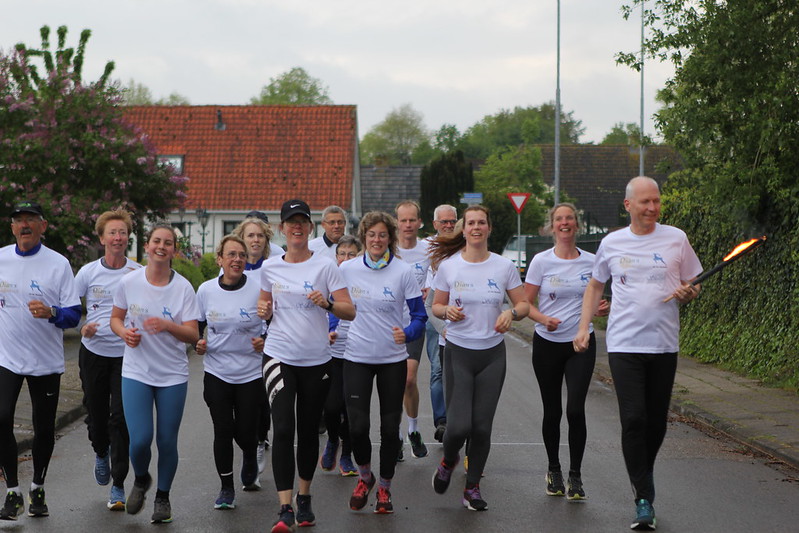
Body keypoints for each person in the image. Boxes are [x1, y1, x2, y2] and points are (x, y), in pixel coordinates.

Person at [573, 176, 702, 531]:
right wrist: (583, 327)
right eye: (645, 202)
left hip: (664, 345)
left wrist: (691, 293)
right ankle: (643, 498)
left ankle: (643, 472)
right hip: (625, 344)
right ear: (628, 205)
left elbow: (694, 281)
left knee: (657, 422)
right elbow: (596, 284)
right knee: (634, 418)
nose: (652, 208)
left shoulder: (676, 238)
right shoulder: (613, 242)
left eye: (656, 201)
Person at [256, 199, 355, 533]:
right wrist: (264, 312)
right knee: (282, 428)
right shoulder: (270, 267)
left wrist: (327, 303)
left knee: (309, 428)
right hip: (279, 355)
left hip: (317, 360)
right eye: (290, 222)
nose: (296, 227)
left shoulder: (326, 267)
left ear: (310, 228)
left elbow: (349, 310)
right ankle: (284, 507)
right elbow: (265, 305)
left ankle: (304, 497)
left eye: (302, 222)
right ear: (282, 228)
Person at [429, 205, 529, 511]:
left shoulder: (503, 267)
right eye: (470, 223)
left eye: (481, 223)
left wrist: (511, 314)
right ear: (464, 229)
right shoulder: (450, 267)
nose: (475, 227)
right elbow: (435, 306)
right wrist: (446, 312)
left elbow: (524, 304)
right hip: (458, 351)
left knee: (482, 427)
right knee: (458, 427)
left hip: (491, 354)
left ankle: (472, 488)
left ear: (488, 228)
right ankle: (448, 461)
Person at [110, 224, 200, 524]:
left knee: (166, 441)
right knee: (139, 440)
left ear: (174, 250)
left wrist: (167, 326)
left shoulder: (183, 288)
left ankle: (163, 497)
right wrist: (125, 334)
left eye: (168, 243)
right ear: (147, 246)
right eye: (156, 241)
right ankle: (140, 479)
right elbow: (116, 319)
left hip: (172, 374)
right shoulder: (129, 282)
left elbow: (192, 334)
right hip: (136, 371)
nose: (162, 246)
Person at [341, 212, 427, 515]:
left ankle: (386, 488)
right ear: (364, 237)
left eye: (382, 235)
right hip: (356, 357)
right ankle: (365, 477)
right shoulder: (347, 269)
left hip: (392, 359)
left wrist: (408, 333)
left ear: (390, 238)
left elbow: (420, 317)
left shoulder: (403, 272)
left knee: (390, 429)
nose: (377, 240)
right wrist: (328, 325)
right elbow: (336, 306)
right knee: (357, 427)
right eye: (371, 235)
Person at [0, 201, 81, 521]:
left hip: (45, 361)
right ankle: (12, 493)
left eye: (30, 220)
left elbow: (74, 315)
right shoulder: (1, 258)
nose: (24, 225)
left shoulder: (58, 264)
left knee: (43, 428)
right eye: (19, 220)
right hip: (6, 358)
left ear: (42, 227)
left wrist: (52, 313)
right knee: (1, 417)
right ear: (12, 228)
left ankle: (38, 487)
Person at [523, 203, 608, 501]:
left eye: (569, 218)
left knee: (575, 409)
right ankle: (554, 469)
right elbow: (525, 304)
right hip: (547, 343)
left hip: (580, 343)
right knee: (552, 410)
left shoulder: (592, 261)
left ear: (577, 224)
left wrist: (601, 309)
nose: (564, 223)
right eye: (559, 219)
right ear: (552, 226)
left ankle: (576, 475)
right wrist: (543, 318)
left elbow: (600, 295)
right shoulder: (541, 262)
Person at [74, 209, 142, 510]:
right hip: (93, 353)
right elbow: (72, 310)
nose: (118, 237)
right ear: (102, 238)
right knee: (97, 416)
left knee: (121, 418)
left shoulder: (138, 273)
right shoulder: (88, 273)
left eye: (123, 232)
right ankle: (100, 452)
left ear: (128, 238)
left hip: (127, 356)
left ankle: (117, 484)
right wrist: (83, 327)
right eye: (112, 233)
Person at [195, 235, 265, 510]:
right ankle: (226, 488)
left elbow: (275, 322)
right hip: (217, 371)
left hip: (250, 373)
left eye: (242, 255)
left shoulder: (259, 289)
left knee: (246, 432)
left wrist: (266, 340)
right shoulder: (206, 290)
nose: (237, 259)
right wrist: (196, 342)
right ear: (220, 259)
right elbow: (195, 325)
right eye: (231, 254)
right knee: (222, 429)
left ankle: (249, 452)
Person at [233, 213, 283, 473]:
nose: (255, 240)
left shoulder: (274, 269)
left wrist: (266, 336)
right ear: (242, 239)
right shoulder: (231, 268)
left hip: (267, 344)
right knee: (239, 410)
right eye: (250, 236)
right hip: (237, 348)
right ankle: (248, 445)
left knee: (263, 401)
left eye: (260, 236)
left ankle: (261, 440)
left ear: (267, 241)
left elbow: (281, 309)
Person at [319, 235, 361, 476]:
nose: (346, 259)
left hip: (356, 353)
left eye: (351, 254)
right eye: (342, 254)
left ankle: (346, 455)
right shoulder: (327, 279)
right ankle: (333, 439)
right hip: (331, 354)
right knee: (332, 407)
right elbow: (317, 312)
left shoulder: (363, 281)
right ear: (336, 258)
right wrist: (327, 332)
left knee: (352, 408)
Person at [395, 200, 431, 460]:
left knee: (408, 379)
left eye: (412, 220)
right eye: (403, 220)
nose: (408, 225)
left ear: (419, 222)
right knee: (392, 383)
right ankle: (394, 436)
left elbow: (442, 274)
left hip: (415, 323)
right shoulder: (388, 249)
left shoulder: (429, 249)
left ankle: (413, 429)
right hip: (387, 325)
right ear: (397, 222)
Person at [423, 204, 458, 442]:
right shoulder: (426, 247)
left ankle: (459, 420)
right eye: (443, 222)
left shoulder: (464, 246)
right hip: (435, 317)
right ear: (435, 224)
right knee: (437, 370)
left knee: (458, 375)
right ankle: (442, 421)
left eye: (451, 221)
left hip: (460, 321)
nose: (448, 225)